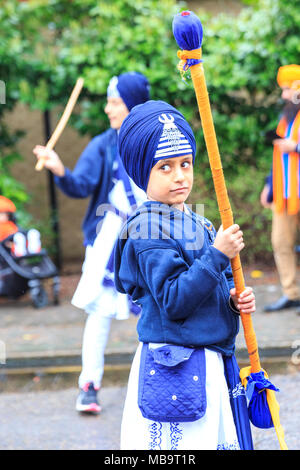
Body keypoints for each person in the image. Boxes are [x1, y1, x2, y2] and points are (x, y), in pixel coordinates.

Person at [114, 100, 255, 450]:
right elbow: (176, 301)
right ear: (141, 171)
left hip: (211, 361)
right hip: (174, 368)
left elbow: (209, 287)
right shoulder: (147, 228)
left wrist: (233, 300)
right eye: (164, 167)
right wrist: (218, 254)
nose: (179, 175)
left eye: (185, 164)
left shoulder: (197, 220)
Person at [33, 72, 150, 413]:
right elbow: (80, 185)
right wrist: (59, 170)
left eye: (116, 102)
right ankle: (89, 385)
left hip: (148, 238)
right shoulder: (103, 144)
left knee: (156, 311)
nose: (108, 109)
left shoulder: (153, 141)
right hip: (107, 239)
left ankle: (159, 382)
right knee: (99, 311)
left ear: (133, 105)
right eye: (110, 101)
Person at [260, 65, 300, 312]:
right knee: (280, 242)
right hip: (284, 192)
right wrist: (268, 185)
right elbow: (278, 153)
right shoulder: (286, 116)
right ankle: (292, 293)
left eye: (287, 89)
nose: (284, 95)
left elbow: (290, 148)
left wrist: (295, 148)